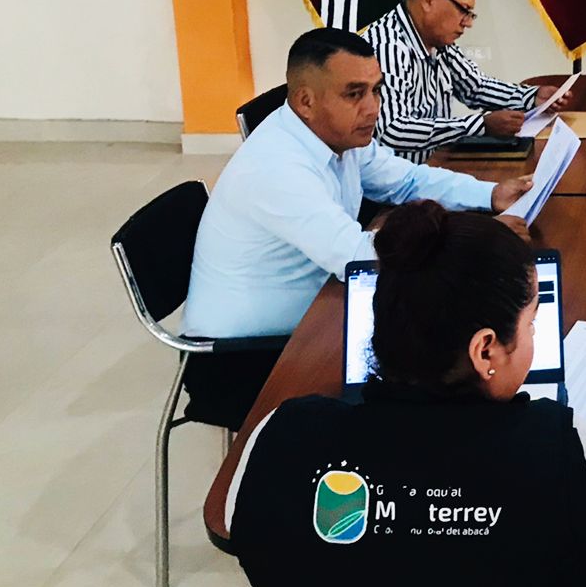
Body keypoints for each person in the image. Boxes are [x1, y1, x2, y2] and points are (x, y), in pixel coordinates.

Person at [226, 204, 586, 587]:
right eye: (531, 326)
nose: (534, 339)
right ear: (485, 348)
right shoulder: (565, 447)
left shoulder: (281, 438)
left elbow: (251, 544)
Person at [185, 29, 530, 419]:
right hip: (241, 357)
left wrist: (491, 195)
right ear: (305, 101)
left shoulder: (336, 135)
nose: (372, 108)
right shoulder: (277, 168)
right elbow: (358, 257)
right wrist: (480, 242)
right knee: (436, 361)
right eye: (354, 94)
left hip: (317, 309)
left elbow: (406, 179)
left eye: (376, 90)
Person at [365, 0, 570, 161]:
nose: (468, 23)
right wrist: (480, 125)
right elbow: (393, 130)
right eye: (463, 10)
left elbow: (475, 87)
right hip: (395, 179)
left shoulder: (437, 40)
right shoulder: (388, 47)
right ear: (428, 0)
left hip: (431, 167)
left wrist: (532, 97)